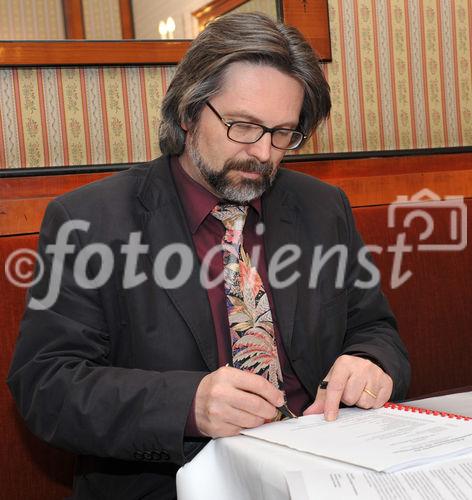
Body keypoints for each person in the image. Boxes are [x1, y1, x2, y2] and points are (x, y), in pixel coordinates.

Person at [7, 12, 410, 500]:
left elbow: (375, 329)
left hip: (327, 476)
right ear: (188, 112)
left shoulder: (323, 208)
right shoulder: (89, 222)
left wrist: (369, 362)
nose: (263, 154)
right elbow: (46, 385)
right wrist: (187, 406)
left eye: (283, 133)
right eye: (243, 126)